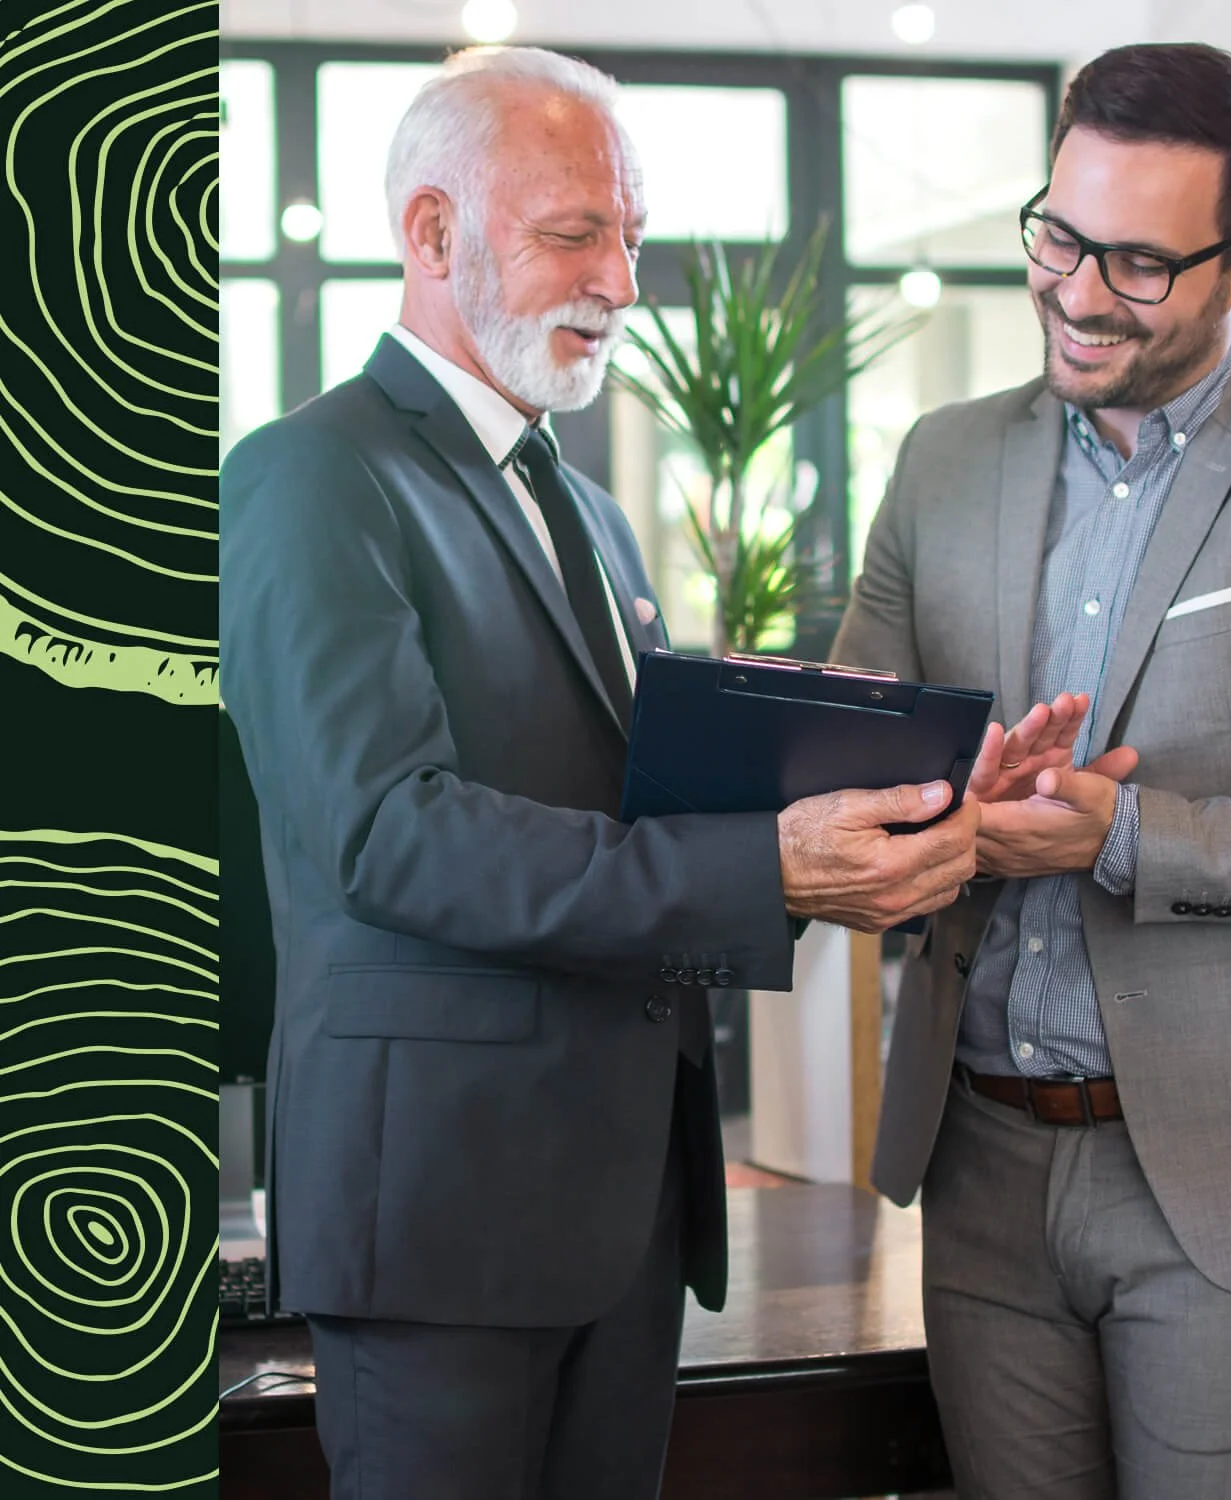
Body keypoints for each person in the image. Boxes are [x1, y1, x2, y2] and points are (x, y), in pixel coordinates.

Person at [219, 44, 1078, 1500]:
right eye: (575, 234)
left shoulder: (593, 516)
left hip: (620, 1212)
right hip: (440, 1218)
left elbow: (655, 821)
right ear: (430, 234)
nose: (621, 279)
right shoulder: (310, 475)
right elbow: (388, 834)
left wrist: (916, 808)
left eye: (630, 234)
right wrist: (767, 866)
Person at [834, 41, 1231, 1500]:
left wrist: (1121, 836)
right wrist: (936, 790)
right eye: (1058, 238)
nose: (1080, 294)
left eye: (1140, 266)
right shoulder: (939, 459)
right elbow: (848, 749)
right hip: (978, 1160)